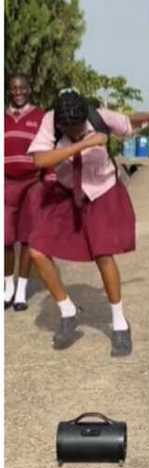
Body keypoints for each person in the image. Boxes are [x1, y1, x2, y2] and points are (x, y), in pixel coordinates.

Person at [25, 89, 149, 356]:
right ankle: (67, 311)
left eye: (79, 127)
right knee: (36, 250)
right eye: (69, 128)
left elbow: (129, 121)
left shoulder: (99, 117)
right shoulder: (51, 122)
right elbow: (39, 159)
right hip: (67, 192)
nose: (76, 130)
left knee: (103, 254)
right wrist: (82, 144)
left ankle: (119, 324)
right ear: (59, 124)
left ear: (86, 117)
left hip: (102, 190)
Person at [5, 75, 51, 311]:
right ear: (10, 91)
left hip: (33, 181)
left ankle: (21, 290)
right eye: (14, 88)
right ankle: (8, 286)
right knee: (5, 239)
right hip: (7, 183)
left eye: (22, 87)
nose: (18, 91)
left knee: (26, 238)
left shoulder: (41, 116)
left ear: (29, 89)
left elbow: (48, 148)